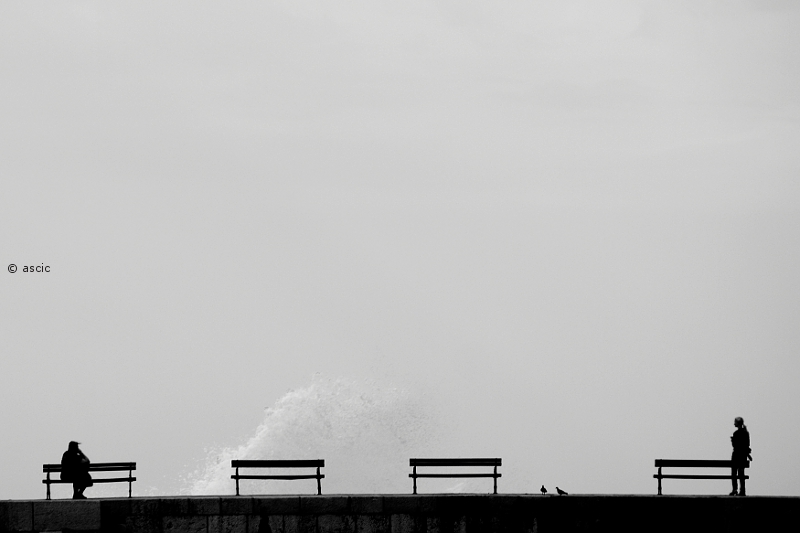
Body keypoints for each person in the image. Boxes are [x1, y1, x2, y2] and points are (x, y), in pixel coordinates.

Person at [729, 417, 752, 496]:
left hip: (736, 456)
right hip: (742, 456)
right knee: (741, 473)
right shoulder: (746, 433)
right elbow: (747, 444)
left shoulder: (736, 433)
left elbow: (735, 446)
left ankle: (734, 489)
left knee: (734, 473)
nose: (734, 424)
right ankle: (742, 490)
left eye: (735, 422)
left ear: (737, 423)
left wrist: (732, 440)